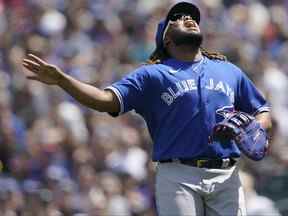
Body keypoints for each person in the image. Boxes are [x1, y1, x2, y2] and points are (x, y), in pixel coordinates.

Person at [22, 2, 272, 216]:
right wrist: (64, 80)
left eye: (191, 17)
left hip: (226, 174)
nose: (188, 19)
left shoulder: (229, 70)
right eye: (178, 18)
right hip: (178, 175)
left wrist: (255, 127)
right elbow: (105, 99)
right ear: (166, 38)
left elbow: (262, 110)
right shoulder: (152, 75)